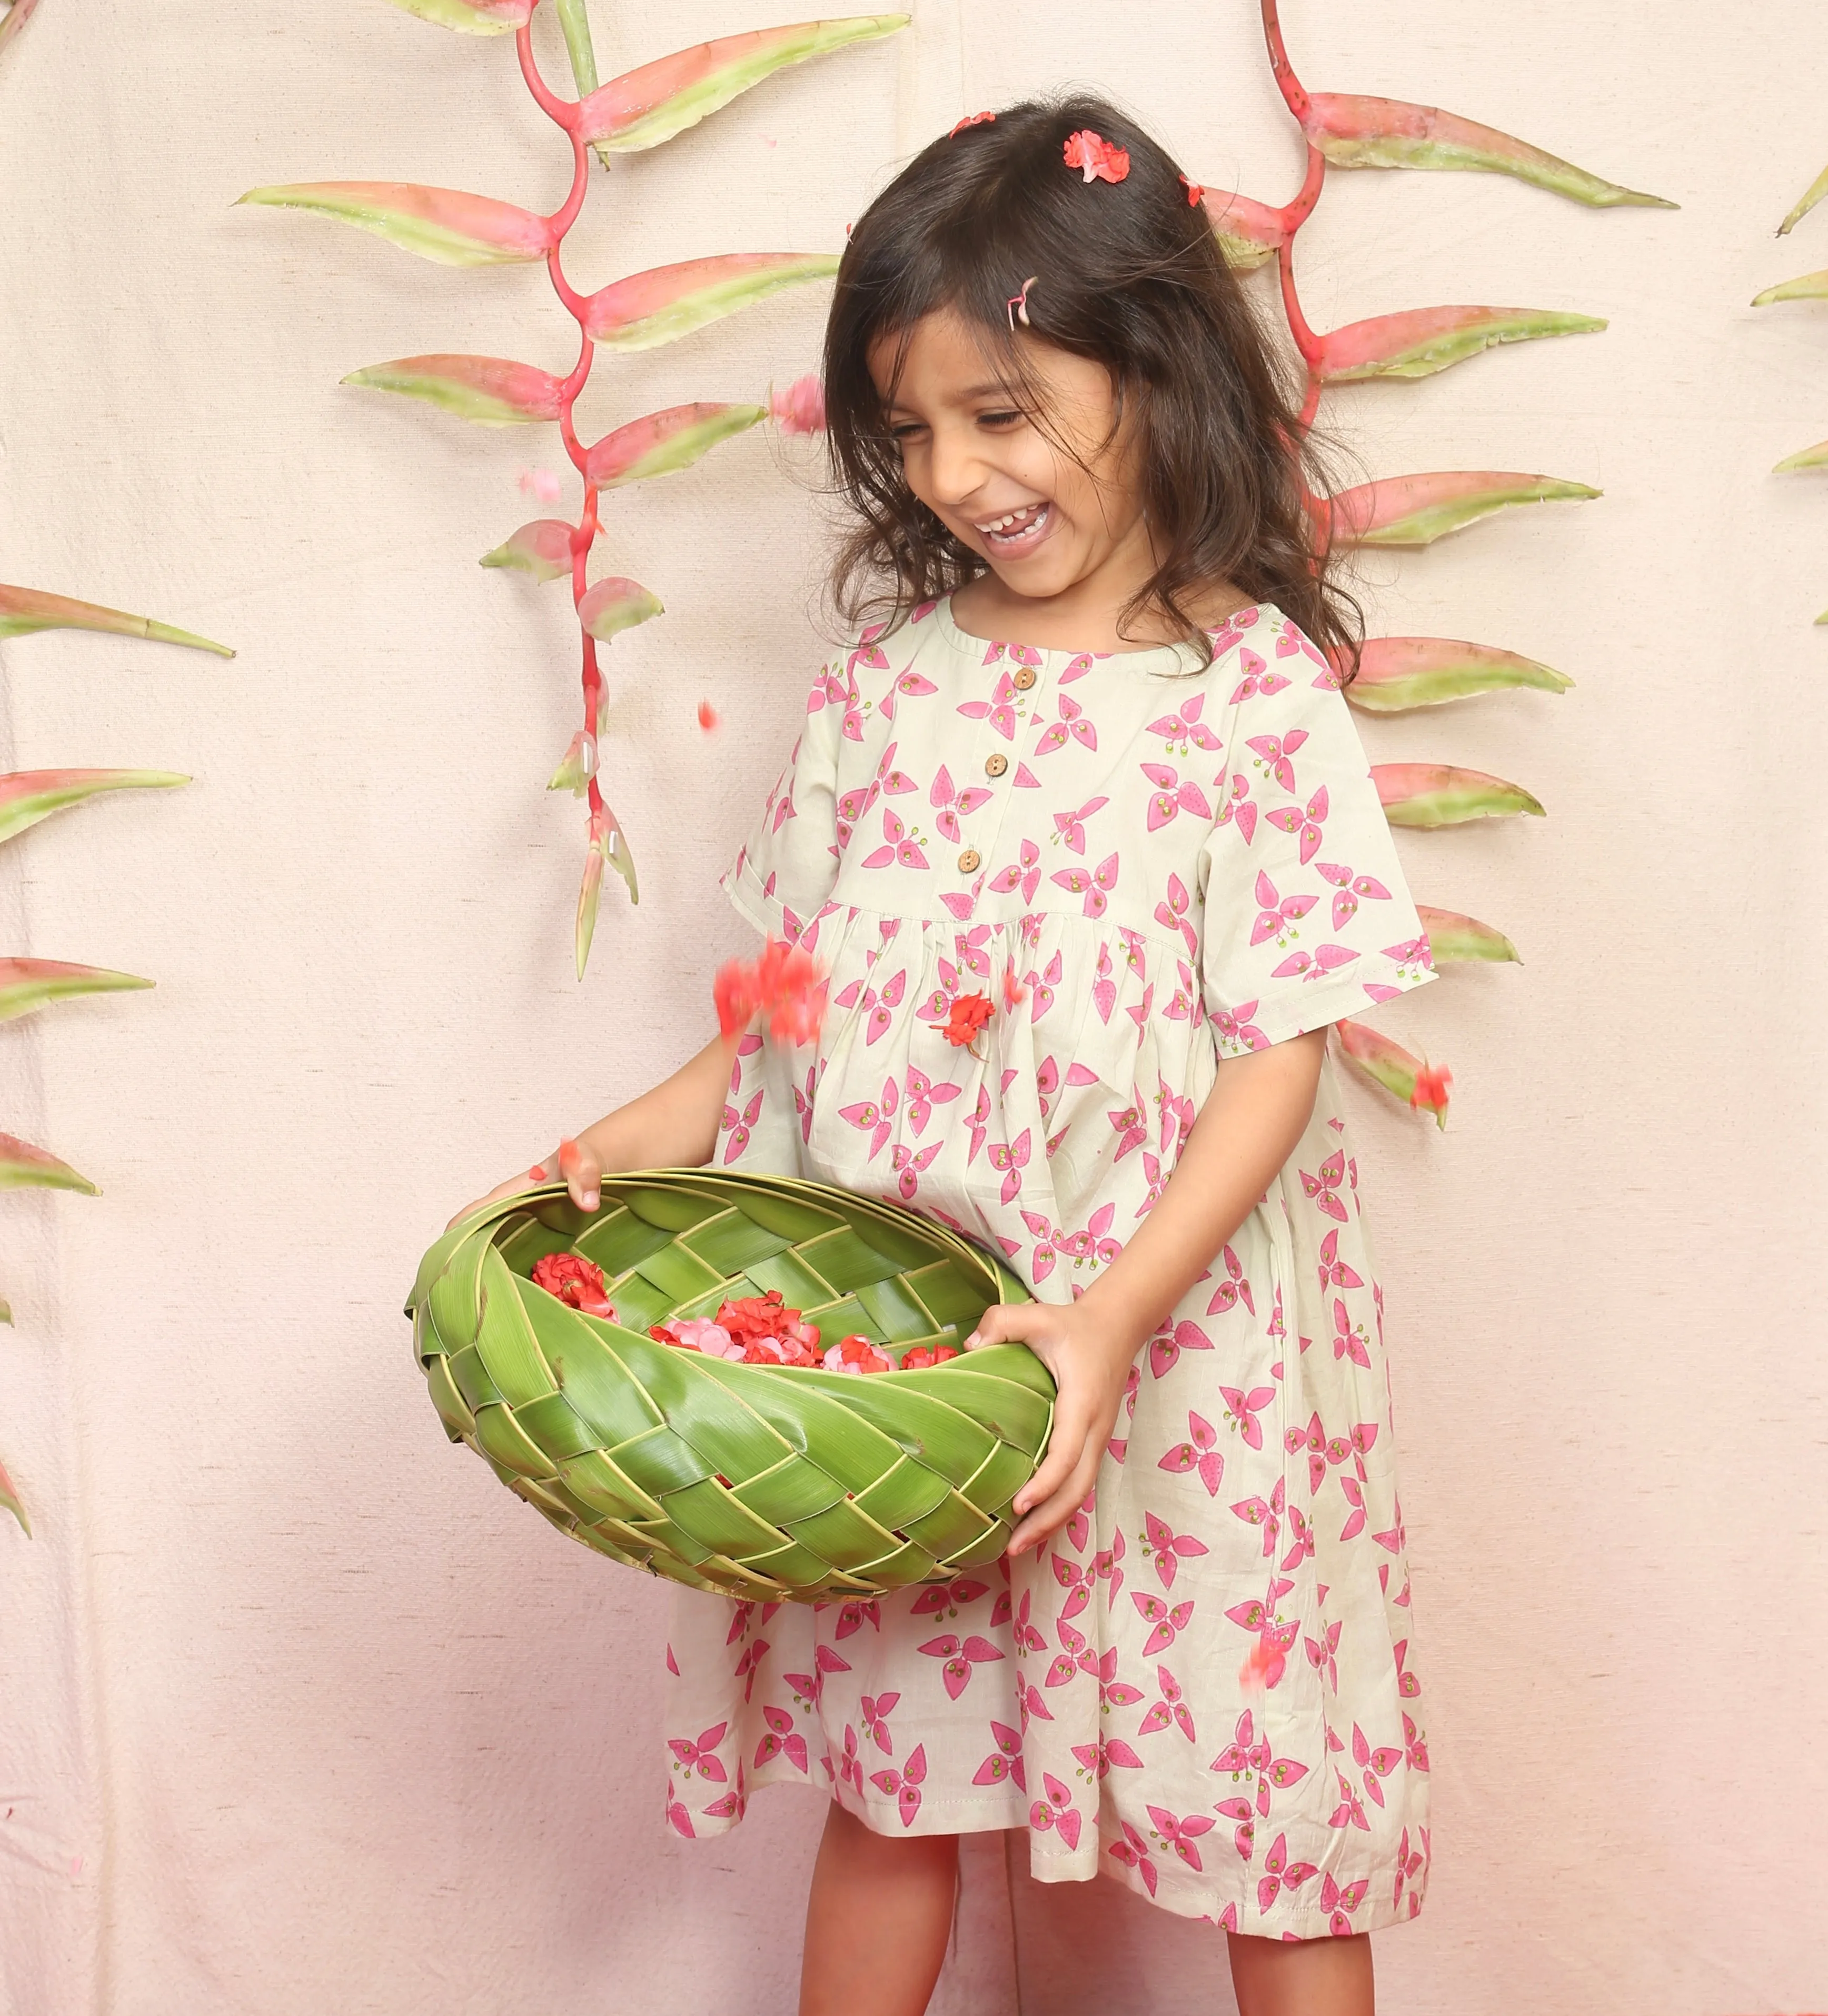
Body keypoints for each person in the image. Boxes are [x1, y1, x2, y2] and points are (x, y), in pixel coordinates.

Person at [463, 94, 1435, 2016]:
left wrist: (1110, 1315)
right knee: (901, 1783)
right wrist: (647, 1140)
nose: (956, 472)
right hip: (926, 1349)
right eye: (910, 431)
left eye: (1001, 410)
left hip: (1184, 1350)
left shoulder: (1249, 704)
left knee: (1264, 1791)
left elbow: (1279, 1051)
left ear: (1148, 365)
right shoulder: (885, 693)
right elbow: (796, 1002)